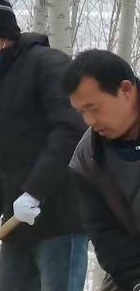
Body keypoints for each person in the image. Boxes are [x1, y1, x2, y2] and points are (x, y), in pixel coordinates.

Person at [0, 0, 88, 291]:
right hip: (16, 225)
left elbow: (72, 130)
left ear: (1, 37)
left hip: (60, 218)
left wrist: (34, 192)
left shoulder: (48, 65)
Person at [63, 50, 140, 291]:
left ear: (126, 90)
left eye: (93, 108)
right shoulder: (86, 160)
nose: (89, 121)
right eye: (81, 112)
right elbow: (105, 234)